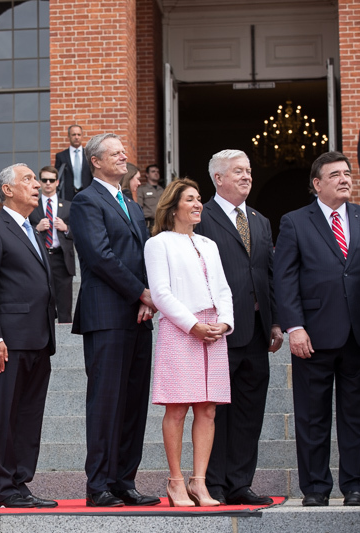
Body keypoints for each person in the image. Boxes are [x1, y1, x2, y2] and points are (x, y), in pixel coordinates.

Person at [274, 151, 360, 507]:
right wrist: (295, 327)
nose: (344, 179)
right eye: (335, 174)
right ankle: (315, 488)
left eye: (347, 173)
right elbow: (285, 279)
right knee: (312, 417)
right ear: (317, 184)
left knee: (357, 417)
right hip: (313, 335)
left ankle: (356, 487)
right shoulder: (295, 222)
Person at [69, 133, 159, 508]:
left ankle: (124, 481)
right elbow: (100, 256)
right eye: (116, 153)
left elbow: (146, 255)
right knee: (106, 402)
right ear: (96, 161)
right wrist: (141, 292)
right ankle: (99, 484)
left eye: (124, 152)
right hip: (106, 314)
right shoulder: (86, 201)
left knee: (134, 403)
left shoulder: (133, 206)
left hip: (138, 316)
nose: (124, 157)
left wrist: (148, 297)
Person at [195, 150, 282, 506]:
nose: (247, 176)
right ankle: (214, 483)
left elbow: (268, 274)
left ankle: (240, 482)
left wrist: (275, 321)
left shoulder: (260, 220)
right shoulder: (202, 217)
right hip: (219, 331)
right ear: (218, 178)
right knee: (216, 410)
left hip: (258, 331)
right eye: (238, 171)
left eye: (248, 170)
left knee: (250, 410)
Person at [0, 163, 57, 509]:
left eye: (36, 179)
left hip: (39, 338)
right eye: (29, 179)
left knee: (28, 416)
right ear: (7, 190)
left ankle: (21, 483)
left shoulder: (32, 231)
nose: (36, 185)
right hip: (9, 340)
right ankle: (4, 488)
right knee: (5, 416)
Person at [145, 178, 233, 508]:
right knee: (178, 407)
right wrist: (192, 325)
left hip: (213, 330)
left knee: (208, 409)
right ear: (173, 207)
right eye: (190, 199)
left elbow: (223, 288)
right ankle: (176, 481)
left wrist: (225, 322)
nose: (198, 204)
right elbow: (161, 293)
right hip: (182, 330)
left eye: (199, 199)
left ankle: (199, 482)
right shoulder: (158, 243)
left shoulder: (209, 244)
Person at [29, 165, 75, 323]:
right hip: (41, 258)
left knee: (65, 306)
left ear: (57, 182)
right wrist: (36, 229)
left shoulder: (68, 206)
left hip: (62, 258)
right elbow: (22, 231)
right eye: (44, 180)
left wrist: (66, 228)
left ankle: (65, 334)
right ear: (40, 182)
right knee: (42, 302)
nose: (48, 183)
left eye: (51, 180)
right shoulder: (32, 206)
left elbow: (79, 232)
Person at [54, 125, 92, 200]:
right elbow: (57, 177)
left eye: (79, 134)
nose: (76, 137)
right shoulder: (61, 156)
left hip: (87, 194)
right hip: (67, 196)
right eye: (74, 134)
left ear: (82, 136)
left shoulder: (89, 155)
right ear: (69, 136)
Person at [137, 164, 164, 231]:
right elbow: (139, 207)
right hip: (149, 223)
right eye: (153, 171)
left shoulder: (162, 190)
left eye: (157, 172)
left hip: (161, 222)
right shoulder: (142, 190)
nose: (156, 173)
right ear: (147, 174)